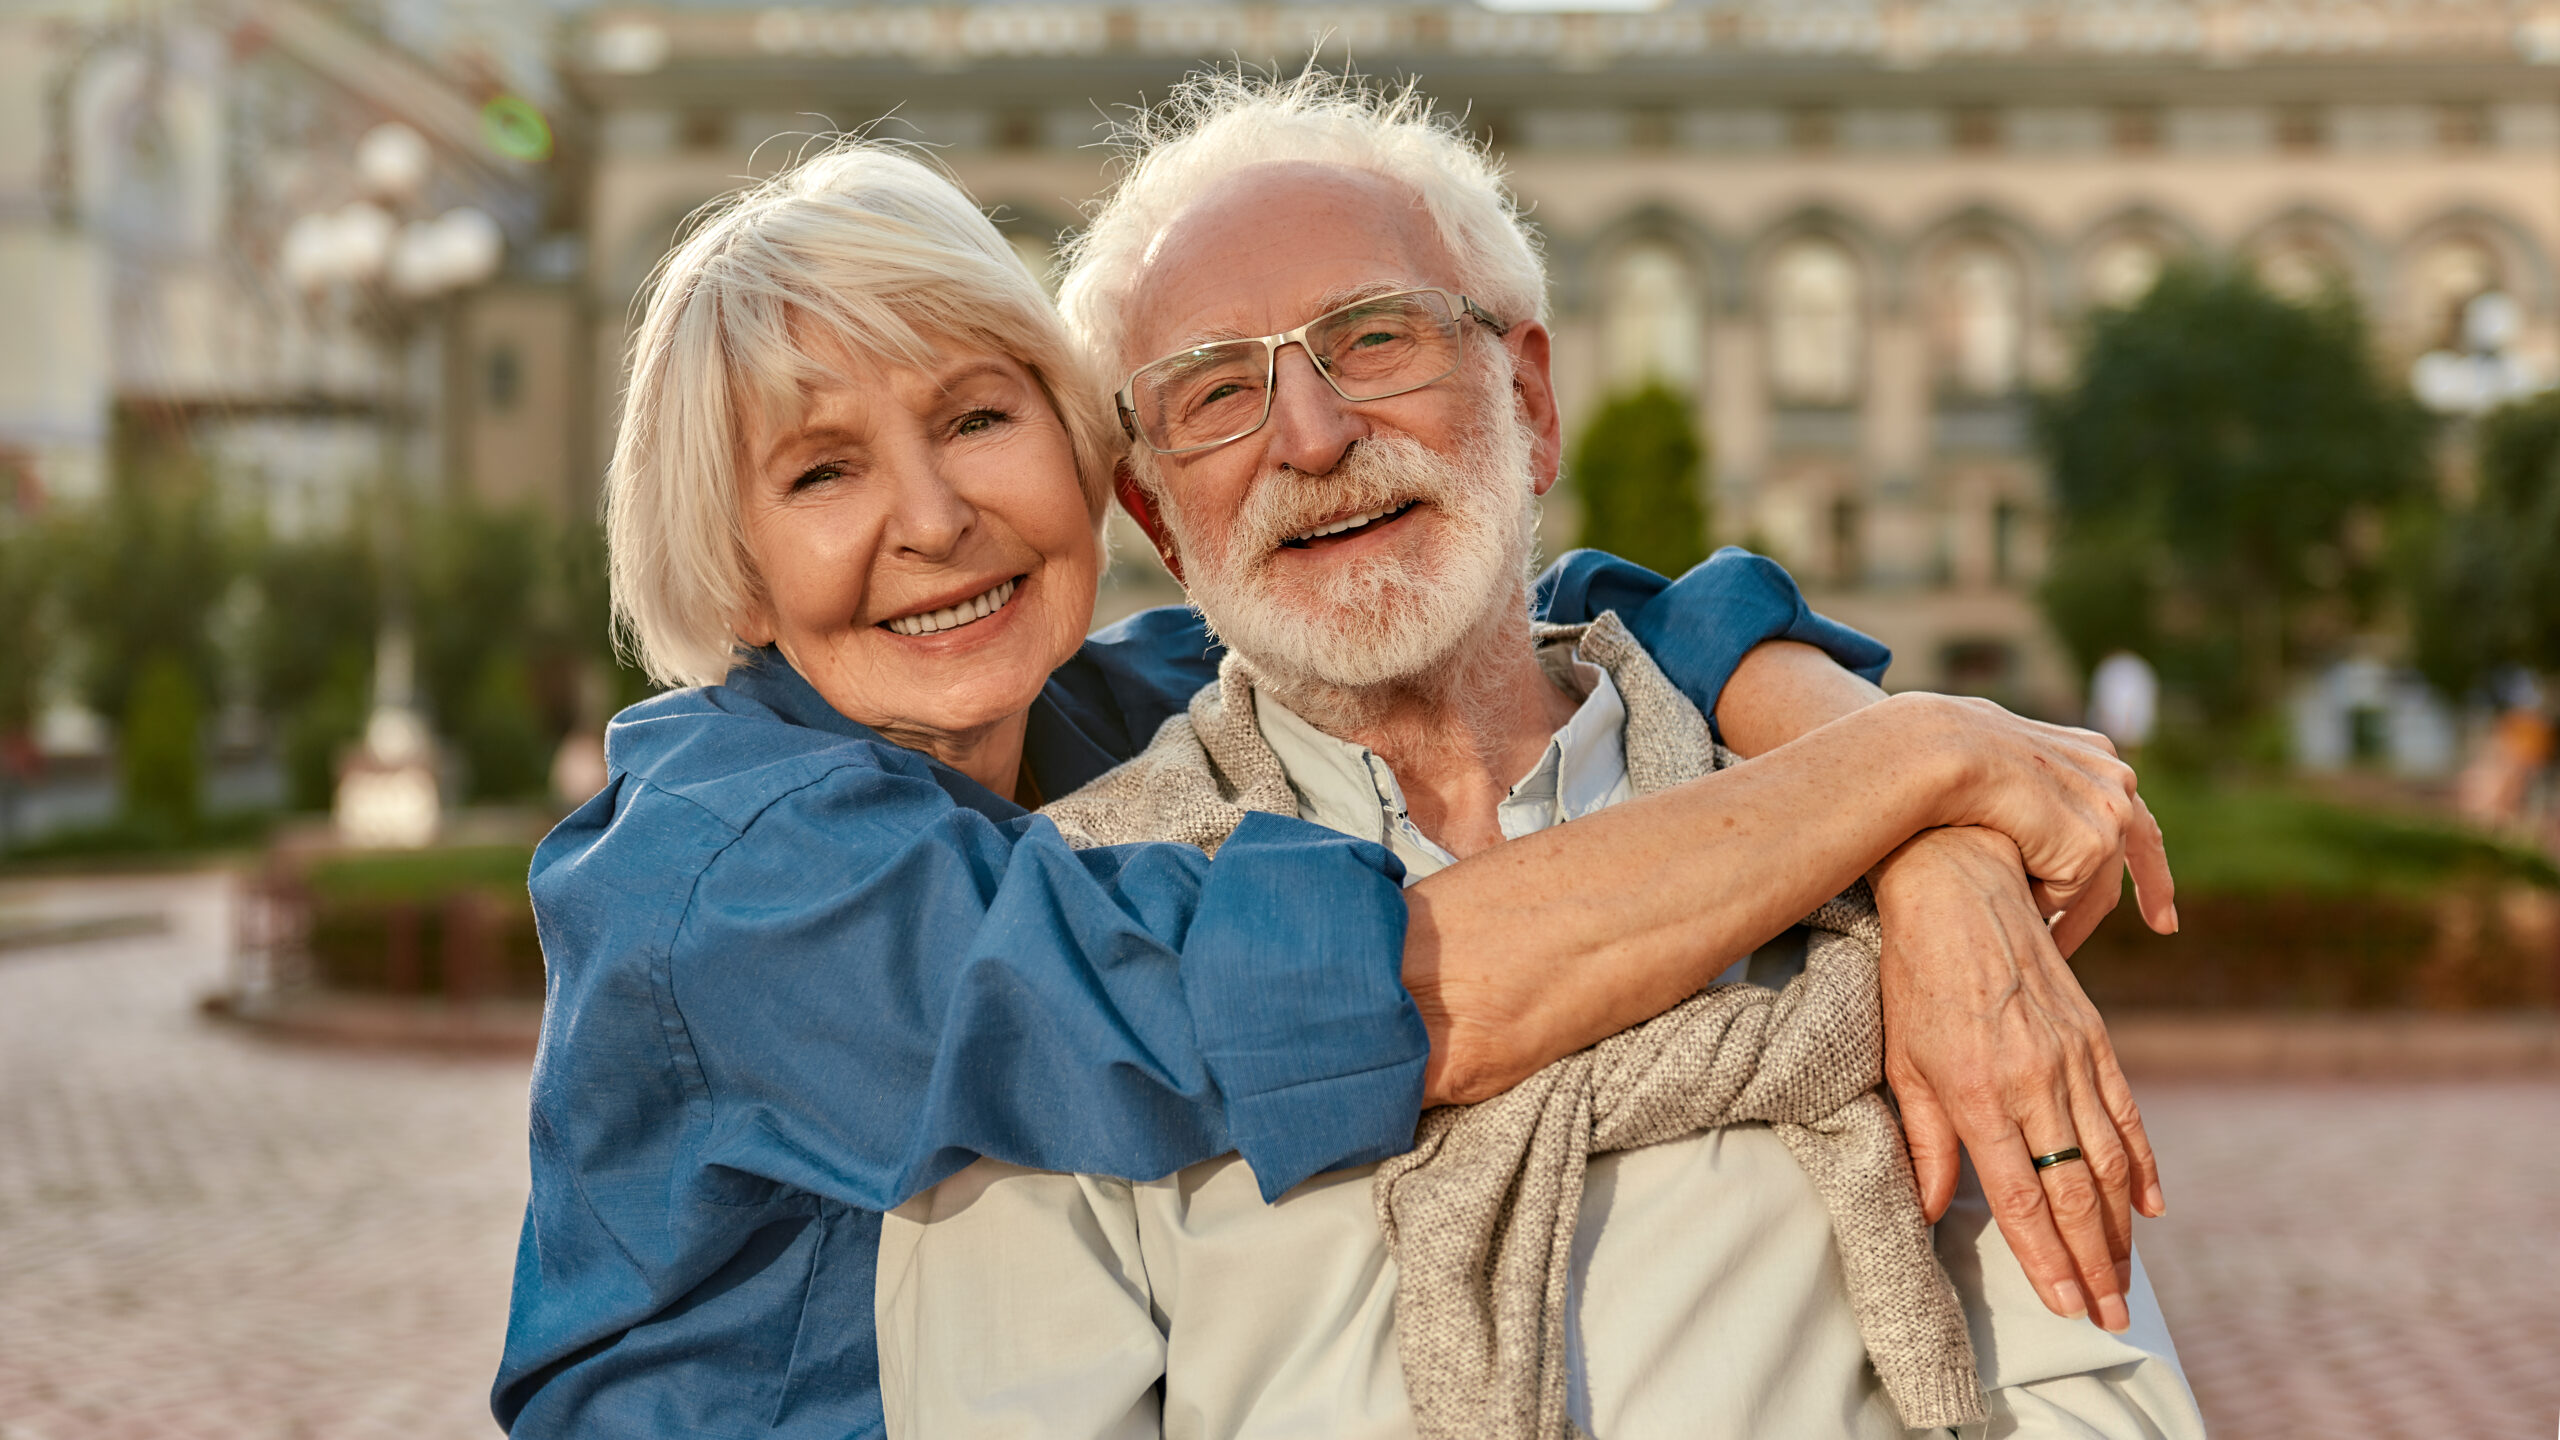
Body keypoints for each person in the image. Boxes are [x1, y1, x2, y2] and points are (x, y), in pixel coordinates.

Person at [493, 133, 2173, 1437]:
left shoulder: (1087, 707)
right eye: (822, 470)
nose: (933, 519)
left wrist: (1926, 829)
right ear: (729, 567)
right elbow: (1338, 995)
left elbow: (1556, 599)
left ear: (1100, 480)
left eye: (980, 417)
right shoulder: (739, 879)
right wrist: (1920, 766)